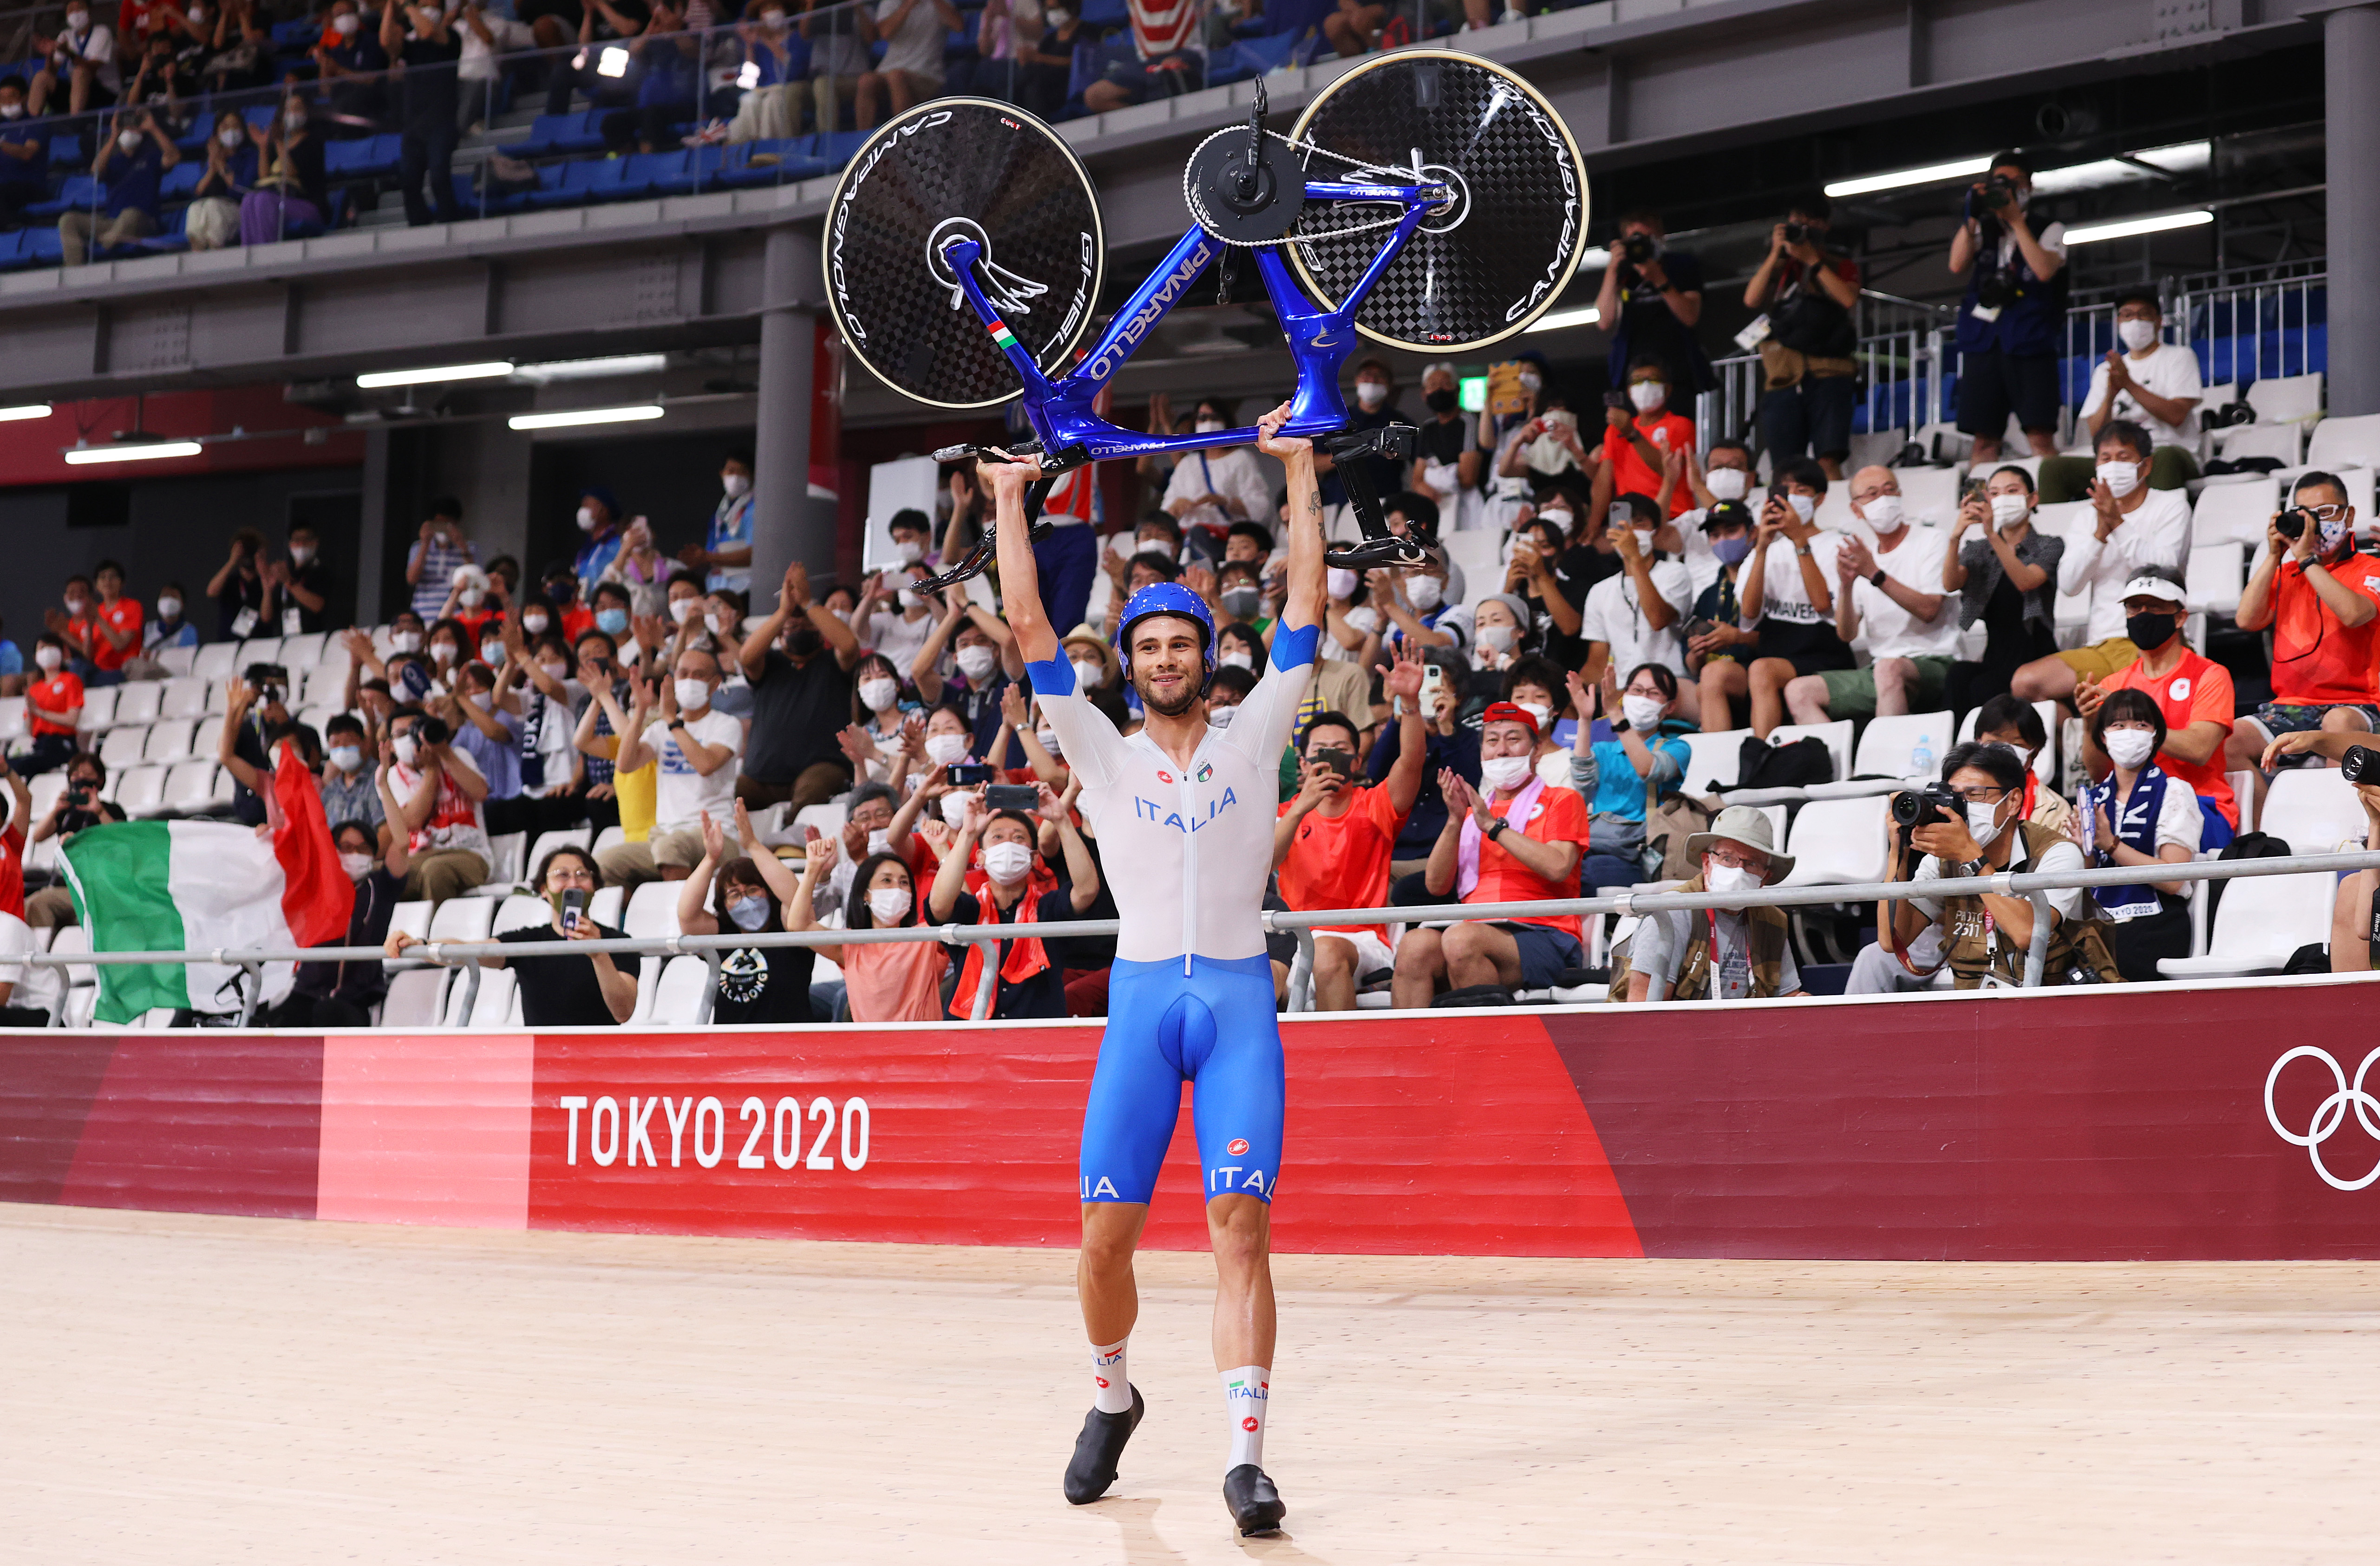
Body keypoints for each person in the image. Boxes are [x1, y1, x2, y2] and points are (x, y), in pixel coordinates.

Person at [992, 396, 1322, 1535]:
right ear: (1129, 665)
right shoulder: (1099, 744)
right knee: (1103, 1242)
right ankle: (1112, 1392)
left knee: (1241, 1226)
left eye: (1183, 641)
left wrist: (1300, 469)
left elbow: (1308, 605)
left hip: (1233, 997)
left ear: (1208, 657)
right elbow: (1029, 621)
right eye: (1150, 644)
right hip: (1143, 1001)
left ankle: (1246, 1459)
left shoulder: (1258, 733)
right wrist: (1004, 496)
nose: (1168, 657)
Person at [1848, 741, 2100, 992]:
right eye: (1956, 796)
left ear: (2013, 801)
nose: (1964, 806)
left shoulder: (2057, 852)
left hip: (2053, 999)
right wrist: (1898, 853)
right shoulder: (1942, 860)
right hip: (1974, 1000)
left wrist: (1970, 855)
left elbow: (2028, 935)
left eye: (1975, 794)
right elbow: (1893, 941)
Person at [1393, 702, 1592, 1005]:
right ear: (1482, 752)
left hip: (1545, 933)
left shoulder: (1563, 800)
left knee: (1462, 939)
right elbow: (1436, 886)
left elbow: (1558, 866)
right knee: (1414, 945)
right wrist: (1456, 821)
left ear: (1536, 751)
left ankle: (1486, 1048)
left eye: (1513, 740)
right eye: (1492, 741)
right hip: (1474, 930)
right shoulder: (1473, 812)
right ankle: (1410, 1051)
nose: (1502, 750)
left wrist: (1493, 828)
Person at [1273, 656, 1426, 1011]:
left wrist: (1412, 704)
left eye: (1342, 751)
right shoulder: (1285, 814)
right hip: (1298, 943)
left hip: (1365, 940)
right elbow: (1266, 863)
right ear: (1303, 763)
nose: (1330, 759)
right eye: (1320, 752)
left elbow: (1412, 763)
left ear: (1357, 763)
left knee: (1326, 953)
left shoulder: (1376, 805)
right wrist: (1300, 807)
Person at [2224, 472, 2380, 815]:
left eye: (2325, 513)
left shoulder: (2371, 567)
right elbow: (2246, 620)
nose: (2315, 525)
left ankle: (2337, 834)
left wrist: (2308, 561)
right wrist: (2273, 556)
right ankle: (2268, 835)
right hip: (2293, 705)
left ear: (2349, 516)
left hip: (2359, 705)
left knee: (2337, 724)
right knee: (2227, 740)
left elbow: (2355, 613)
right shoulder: (2287, 573)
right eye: (2305, 515)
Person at [2010, 421, 2189, 708]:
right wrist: (2099, 535)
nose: (2113, 466)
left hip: (2156, 639)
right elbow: (2069, 585)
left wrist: (2117, 523)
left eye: (2124, 457)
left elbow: (2164, 571)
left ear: (2145, 466)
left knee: (2126, 706)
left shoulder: (2171, 505)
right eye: (2105, 459)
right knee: (2025, 682)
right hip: (2102, 645)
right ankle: (2073, 741)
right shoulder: (2086, 517)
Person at [1785, 468, 1958, 725]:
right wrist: (1846, 586)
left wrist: (1874, 573)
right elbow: (1847, 634)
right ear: (1857, 510)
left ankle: (1884, 761)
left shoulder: (1931, 540)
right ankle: (1837, 764)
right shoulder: (1864, 555)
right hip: (1880, 670)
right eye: (1873, 494)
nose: (1884, 499)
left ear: (1900, 496)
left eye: (1890, 490)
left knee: (1888, 669)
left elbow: (1930, 610)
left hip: (1936, 661)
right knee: (1798, 691)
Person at [390, 845, 636, 1024]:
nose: (573, 883)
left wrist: (599, 955)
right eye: (562, 875)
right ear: (544, 890)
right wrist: (420, 944)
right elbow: (466, 950)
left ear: (595, 888)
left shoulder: (621, 943)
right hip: (540, 1061)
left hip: (601, 1059)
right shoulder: (528, 942)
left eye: (582, 875)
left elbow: (623, 1012)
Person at [2079, 568, 2238, 842]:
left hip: (2202, 806)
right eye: (2134, 607)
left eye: (2154, 607)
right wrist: (2090, 723)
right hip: (2130, 806)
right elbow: (2099, 772)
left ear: (2180, 618)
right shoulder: (2115, 683)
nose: (2142, 614)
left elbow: (2199, 749)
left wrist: (2138, 722)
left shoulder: (2210, 675)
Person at [928, 783, 1099, 1018]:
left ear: (1033, 857)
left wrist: (1061, 819)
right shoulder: (971, 911)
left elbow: (1087, 890)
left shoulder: (1048, 910)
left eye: (1019, 838)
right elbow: (938, 905)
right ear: (981, 857)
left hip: (1035, 1041)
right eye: (998, 837)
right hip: (970, 1039)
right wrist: (968, 835)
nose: (1008, 844)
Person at [1613, 805, 1805, 1001]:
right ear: (1707, 863)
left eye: (1752, 864)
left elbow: (1787, 1000)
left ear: (1764, 878)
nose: (1739, 871)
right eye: (1728, 858)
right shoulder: (1672, 912)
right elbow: (1643, 1008)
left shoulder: (1773, 921)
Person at [1948, 150, 2067, 465]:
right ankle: (1977, 508)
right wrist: (1971, 216)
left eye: (2016, 183)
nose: (2009, 189)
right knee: (1984, 440)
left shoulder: (2049, 228)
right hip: (1985, 343)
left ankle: (2054, 503)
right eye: (2001, 183)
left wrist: (2016, 222)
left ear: (2030, 186)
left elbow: (2043, 270)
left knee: (2040, 436)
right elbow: (1956, 264)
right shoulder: (1983, 229)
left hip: (2030, 342)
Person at [260, 781, 410, 1028]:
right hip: (306, 995)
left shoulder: (381, 887)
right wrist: (263, 839)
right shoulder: (316, 884)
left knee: (325, 1014)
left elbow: (402, 843)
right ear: (333, 851)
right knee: (262, 1029)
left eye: (363, 849)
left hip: (353, 1003)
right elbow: (280, 862)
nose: (355, 854)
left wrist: (383, 784)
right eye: (347, 848)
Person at [2076, 688, 2202, 982]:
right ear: (2104, 736)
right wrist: (2083, 851)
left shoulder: (2174, 791)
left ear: (2155, 736)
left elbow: (2174, 879)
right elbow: (2085, 880)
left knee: (2117, 957)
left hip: (2156, 920)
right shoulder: (2092, 799)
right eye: (2118, 726)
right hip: (2101, 918)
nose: (2129, 733)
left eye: (2141, 725)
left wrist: (2111, 844)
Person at [595, 646, 744, 888]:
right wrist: (641, 710)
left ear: (715, 684)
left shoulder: (726, 725)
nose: (689, 681)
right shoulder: (660, 729)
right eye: (683, 674)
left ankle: (683, 919)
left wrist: (673, 721)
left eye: (699, 675)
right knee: (604, 863)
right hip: (664, 836)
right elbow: (625, 764)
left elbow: (705, 764)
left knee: (670, 847)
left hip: (715, 835)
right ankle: (632, 923)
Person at [2040, 290, 2203, 502]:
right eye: (2127, 315)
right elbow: (2097, 433)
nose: (2135, 321)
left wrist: (2128, 384)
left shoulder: (2179, 357)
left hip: (2169, 450)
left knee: (2163, 457)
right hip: (2117, 460)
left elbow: (2177, 416)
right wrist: (2110, 394)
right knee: (2053, 468)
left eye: (2144, 314)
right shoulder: (2105, 370)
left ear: (2159, 321)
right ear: (2118, 322)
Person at [1744, 194, 1861, 479]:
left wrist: (1813, 261)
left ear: (1824, 227)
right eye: (1797, 224)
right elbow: (1752, 299)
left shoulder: (1838, 263)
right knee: (1785, 469)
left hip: (1829, 373)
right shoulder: (1779, 266)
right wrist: (1776, 253)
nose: (1803, 231)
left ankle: (1833, 514)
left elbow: (1847, 299)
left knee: (1828, 459)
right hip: (1783, 377)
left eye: (1810, 225)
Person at [738, 559, 865, 808]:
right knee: (734, 800)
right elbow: (746, 657)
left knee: (811, 793)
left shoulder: (834, 661)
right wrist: (783, 612)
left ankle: (794, 847)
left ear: (820, 630)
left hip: (822, 767)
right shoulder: (770, 662)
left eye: (806, 623)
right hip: (760, 777)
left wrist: (809, 604)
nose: (798, 626)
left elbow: (850, 645)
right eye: (791, 625)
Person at [679, 803, 817, 1024]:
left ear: (768, 892)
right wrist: (710, 859)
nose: (746, 900)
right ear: (724, 904)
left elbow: (794, 895)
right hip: (732, 1048)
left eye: (753, 890)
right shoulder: (723, 936)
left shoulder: (789, 928)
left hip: (789, 1045)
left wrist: (753, 845)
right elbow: (688, 917)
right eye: (734, 894)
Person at [1739, 462, 1850, 736]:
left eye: (1801, 490)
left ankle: (1762, 758)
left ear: (1819, 498)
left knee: (1761, 669)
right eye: (1785, 490)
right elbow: (1749, 613)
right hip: (1775, 649)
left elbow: (1823, 605)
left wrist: (1800, 540)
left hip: (1824, 652)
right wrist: (1762, 548)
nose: (1792, 497)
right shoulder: (1765, 550)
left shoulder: (1837, 544)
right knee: (1715, 675)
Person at [1943, 465, 2063, 716]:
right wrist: (1955, 538)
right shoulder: (1977, 549)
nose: (2003, 499)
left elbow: (2026, 581)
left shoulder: (2049, 545)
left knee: (1983, 688)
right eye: (1995, 493)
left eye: (2012, 491)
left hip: (2036, 655)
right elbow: (1951, 584)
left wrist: (1991, 534)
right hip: (1996, 654)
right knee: (1958, 675)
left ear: (2032, 499)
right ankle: (1959, 750)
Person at [1569, 664, 1692, 894]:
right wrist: (1585, 719)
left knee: (1588, 874)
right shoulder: (1604, 750)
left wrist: (1615, 713)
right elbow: (1581, 790)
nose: (1643, 698)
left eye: (1653, 693)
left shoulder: (1677, 747)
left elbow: (1649, 769)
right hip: (1595, 843)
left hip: (1639, 854)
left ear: (1670, 707)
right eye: (1636, 690)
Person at [1576, 491, 1691, 698]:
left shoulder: (1675, 573)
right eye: (1623, 525)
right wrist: (1576, 692)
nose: (1630, 532)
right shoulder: (1600, 591)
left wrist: (1635, 559)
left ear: (1655, 532)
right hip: (1623, 690)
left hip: (1670, 683)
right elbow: (1597, 662)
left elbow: (1658, 619)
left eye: (1639, 524)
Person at [1593, 209, 1708, 402]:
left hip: (1676, 372)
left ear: (1660, 237)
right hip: (1631, 374)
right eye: (1635, 239)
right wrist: (1613, 269)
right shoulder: (1622, 272)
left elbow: (1690, 317)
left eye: (1648, 237)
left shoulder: (1682, 265)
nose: (1642, 244)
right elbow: (1604, 322)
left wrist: (1659, 279)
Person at [388, 704, 492, 903]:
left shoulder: (457, 755)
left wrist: (444, 753)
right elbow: (413, 821)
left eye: (412, 731)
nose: (408, 739)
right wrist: (432, 771)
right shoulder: (394, 775)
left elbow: (481, 793)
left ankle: (436, 935)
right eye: (401, 734)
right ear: (391, 745)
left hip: (471, 854)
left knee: (436, 870)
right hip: (421, 855)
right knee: (378, 873)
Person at [62, 105, 175, 265]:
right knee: (68, 220)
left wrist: (153, 128)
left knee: (130, 214)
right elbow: (96, 171)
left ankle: (107, 243)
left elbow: (173, 157)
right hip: (113, 223)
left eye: (133, 128)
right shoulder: (113, 161)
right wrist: (114, 136)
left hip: (144, 220)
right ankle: (74, 270)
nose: (129, 132)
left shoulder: (151, 157)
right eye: (125, 129)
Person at [382, 0, 461, 227]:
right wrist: (390, 6)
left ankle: (450, 222)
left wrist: (407, 5)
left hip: (441, 122)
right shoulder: (413, 48)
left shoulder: (451, 39)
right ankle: (419, 225)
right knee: (409, 181)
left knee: (439, 176)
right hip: (414, 124)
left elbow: (428, 30)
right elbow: (387, 42)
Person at [24, 750, 123, 928]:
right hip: (70, 885)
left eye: (87, 774)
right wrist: (56, 809)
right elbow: (38, 836)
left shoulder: (111, 810)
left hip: (98, 887)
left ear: (99, 781)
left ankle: (42, 956)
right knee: (30, 904)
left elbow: (120, 839)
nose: (81, 778)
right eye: (76, 774)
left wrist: (99, 811)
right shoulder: (67, 814)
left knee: (39, 902)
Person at [1589, 359, 1696, 523]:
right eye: (1638, 381)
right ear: (1630, 391)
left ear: (1668, 389)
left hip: (1671, 518)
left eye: (1653, 380)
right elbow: (1604, 481)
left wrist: (1632, 433)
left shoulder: (1681, 425)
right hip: (1625, 519)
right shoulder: (1616, 429)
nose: (1645, 386)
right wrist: (1593, 525)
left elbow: (1668, 471)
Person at [1164, 398, 1274, 533]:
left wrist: (1226, 502)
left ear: (1226, 421)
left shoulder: (1241, 459)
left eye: (1215, 418)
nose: (1209, 423)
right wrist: (1177, 507)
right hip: (1187, 535)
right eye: (1202, 418)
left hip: (1229, 536)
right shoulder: (1188, 463)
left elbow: (1261, 507)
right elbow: (1165, 515)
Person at [854, 0, 957, 128]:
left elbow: (959, 26)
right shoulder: (890, 3)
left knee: (896, 77)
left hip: (928, 73)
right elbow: (885, 33)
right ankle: (863, 140)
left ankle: (905, 135)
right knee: (866, 81)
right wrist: (908, 5)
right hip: (889, 69)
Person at [29, 2, 120, 120]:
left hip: (105, 90)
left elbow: (92, 69)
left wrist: (69, 54)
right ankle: (32, 125)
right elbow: (51, 73)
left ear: (89, 10)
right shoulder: (65, 35)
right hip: (77, 92)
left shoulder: (102, 32)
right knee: (41, 77)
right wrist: (50, 55)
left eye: (80, 9)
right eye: (71, 10)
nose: (76, 14)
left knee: (80, 72)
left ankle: (76, 122)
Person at [681, 450, 755, 595]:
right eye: (731, 471)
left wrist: (708, 557)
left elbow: (756, 554)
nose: (736, 477)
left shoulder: (755, 509)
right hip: (718, 588)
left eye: (742, 472)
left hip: (744, 589)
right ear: (722, 474)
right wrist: (698, 559)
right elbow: (710, 555)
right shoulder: (719, 514)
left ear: (752, 476)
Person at [185, 106, 255, 251]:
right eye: (226, 127)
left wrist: (222, 166)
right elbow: (197, 192)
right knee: (195, 209)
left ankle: (216, 255)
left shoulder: (250, 156)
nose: (231, 131)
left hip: (241, 211)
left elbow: (242, 190)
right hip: (212, 209)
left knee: (212, 206)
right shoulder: (212, 160)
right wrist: (213, 167)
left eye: (236, 126)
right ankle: (197, 256)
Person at [21, 635, 84, 777]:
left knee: (24, 765)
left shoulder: (71, 680)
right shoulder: (34, 689)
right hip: (40, 745)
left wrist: (40, 712)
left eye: (51, 647)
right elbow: (30, 730)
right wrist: (31, 711)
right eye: (42, 648)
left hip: (62, 743)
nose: (47, 652)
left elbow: (72, 719)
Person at [406, 500, 475, 621]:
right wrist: (425, 544)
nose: (443, 530)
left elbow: (475, 579)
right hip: (423, 615)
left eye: (447, 525)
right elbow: (412, 579)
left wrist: (462, 546)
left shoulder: (470, 548)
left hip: (456, 615)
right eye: (439, 525)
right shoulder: (418, 548)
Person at [0, 77, 50, 233]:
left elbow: (28, 153)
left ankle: (11, 226)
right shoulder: (2, 127)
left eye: (12, 97)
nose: (7, 102)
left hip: (31, 186)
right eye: (2, 99)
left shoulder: (36, 124)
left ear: (24, 97)